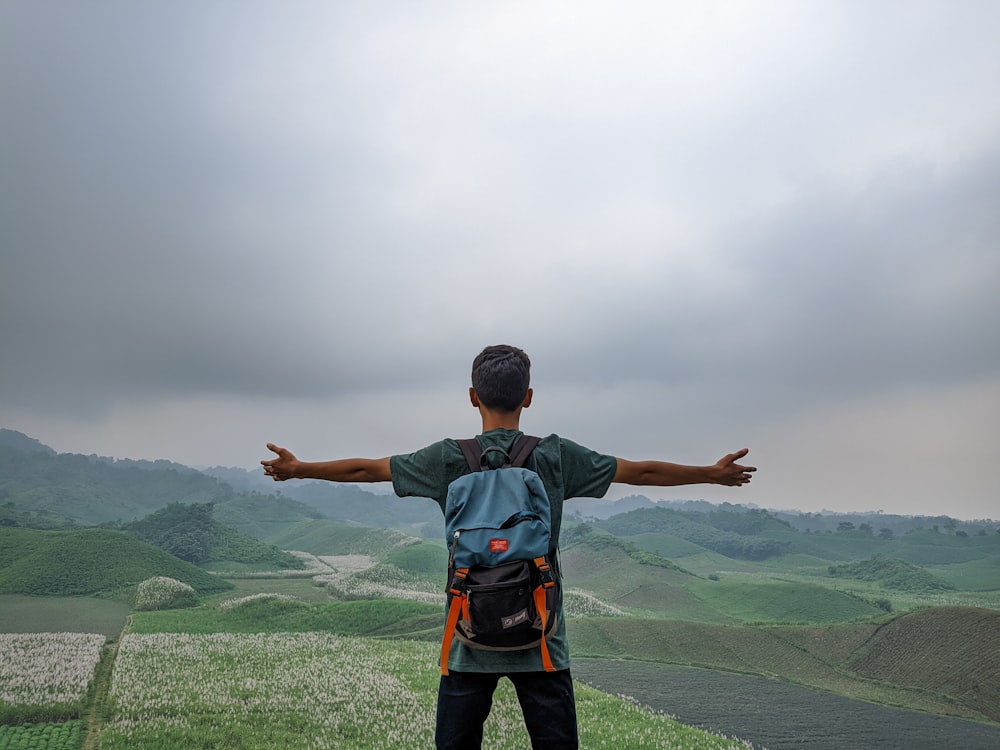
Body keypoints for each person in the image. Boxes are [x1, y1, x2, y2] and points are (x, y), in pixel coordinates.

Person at [262, 344, 756, 749]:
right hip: (542, 639)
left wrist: (299, 468)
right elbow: (642, 472)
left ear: (472, 397)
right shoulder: (556, 456)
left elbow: (367, 469)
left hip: (467, 641)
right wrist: (712, 475)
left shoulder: (446, 460)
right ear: (530, 397)